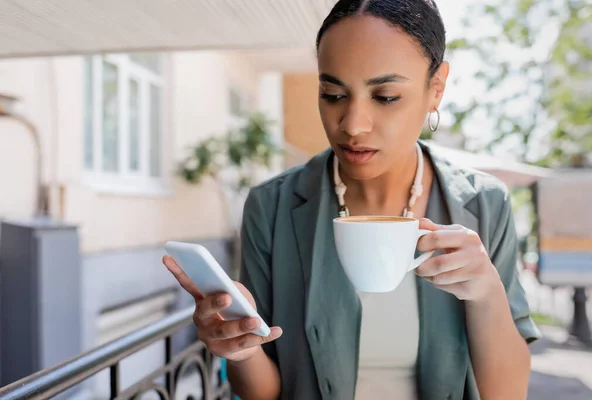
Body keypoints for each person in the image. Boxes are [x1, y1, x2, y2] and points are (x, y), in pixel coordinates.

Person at [163, 0, 541, 399]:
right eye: (332, 94)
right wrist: (239, 350)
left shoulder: (482, 203)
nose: (352, 125)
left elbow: (507, 394)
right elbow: (265, 393)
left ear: (436, 89)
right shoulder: (272, 207)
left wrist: (486, 294)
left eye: (386, 96)